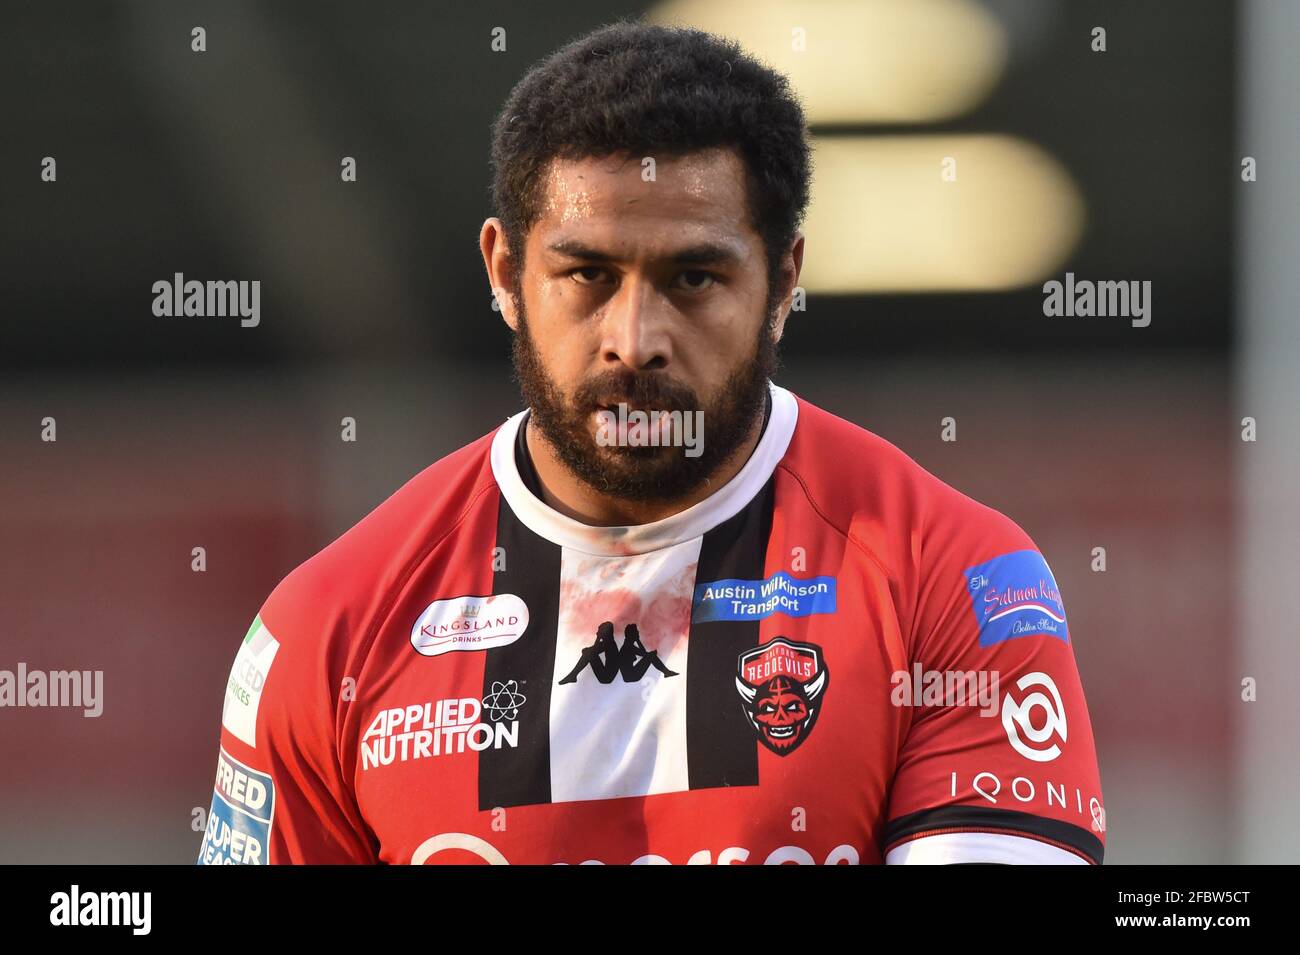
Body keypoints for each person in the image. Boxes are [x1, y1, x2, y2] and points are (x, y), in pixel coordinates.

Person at [198, 20, 1104, 865]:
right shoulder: (328, 631)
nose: (636, 339)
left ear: (784, 279)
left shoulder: (955, 580)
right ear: (506, 272)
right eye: (588, 273)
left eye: (694, 277)